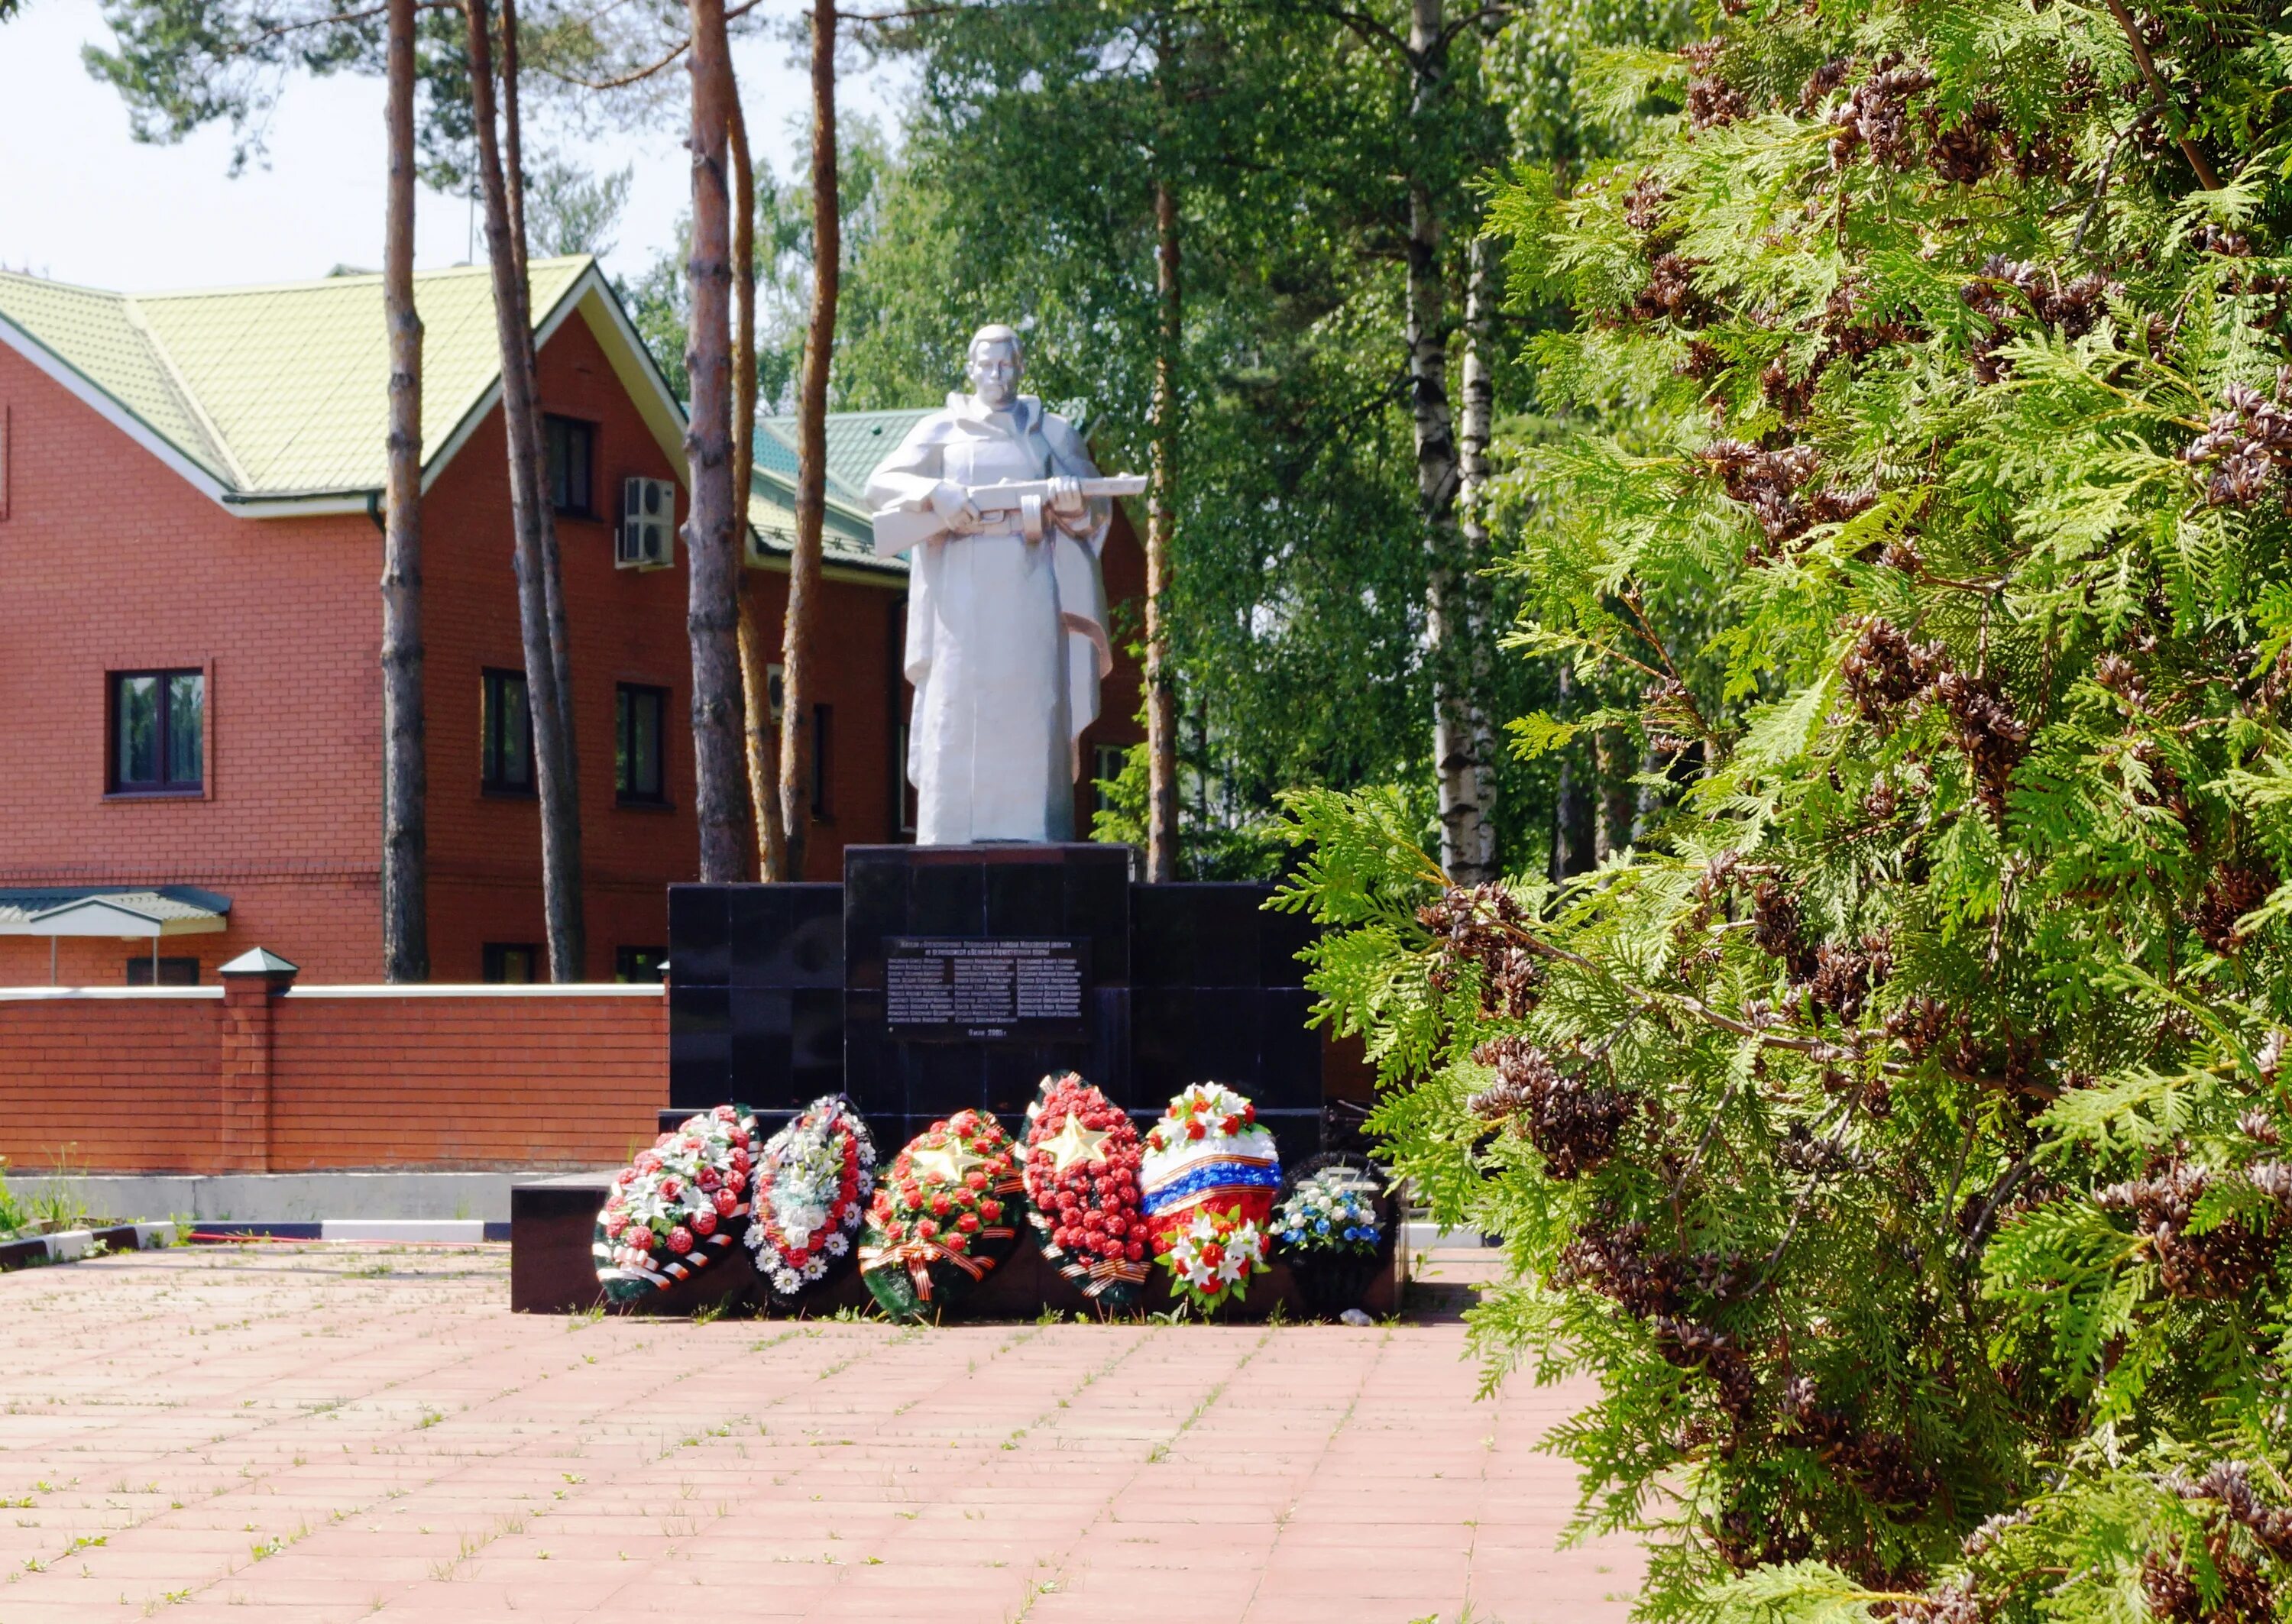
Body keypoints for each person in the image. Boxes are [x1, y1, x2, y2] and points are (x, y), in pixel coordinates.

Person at [863, 325, 1112, 844]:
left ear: (1021, 368)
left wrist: (1075, 506)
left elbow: (1098, 508)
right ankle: (950, 832)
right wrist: (937, 492)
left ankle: (1033, 832)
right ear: (970, 368)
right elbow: (879, 484)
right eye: (987, 364)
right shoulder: (942, 429)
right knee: (957, 710)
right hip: (961, 601)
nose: (997, 375)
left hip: (1030, 593)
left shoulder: (1054, 434)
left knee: (1032, 707)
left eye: (1007, 364)